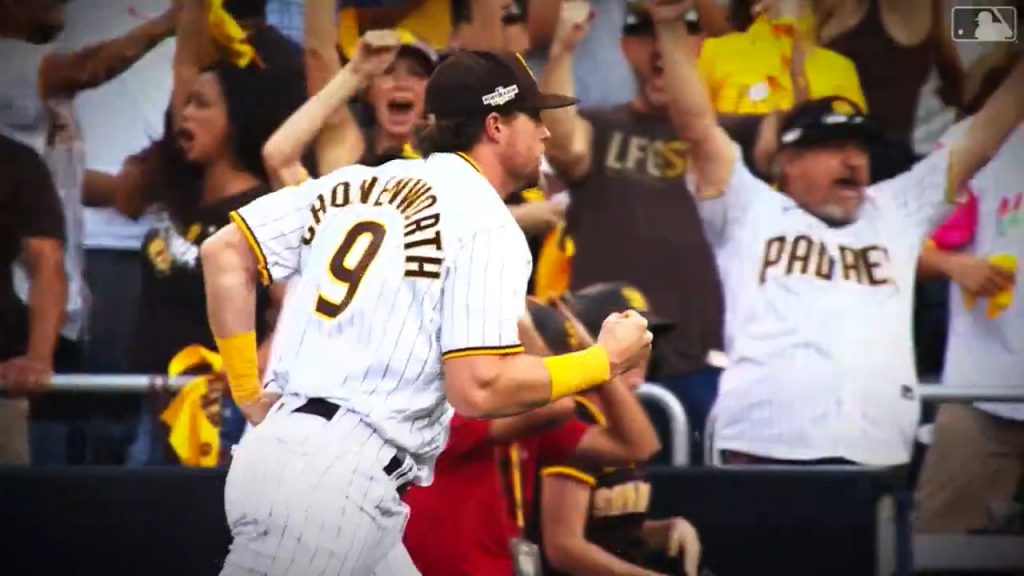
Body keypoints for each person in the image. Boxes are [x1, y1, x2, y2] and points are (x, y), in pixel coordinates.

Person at [200, 49, 654, 575]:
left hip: (304, 457)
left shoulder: (356, 183)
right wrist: (602, 362)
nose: (547, 134)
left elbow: (225, 253)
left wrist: (248, 393)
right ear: (497, 125)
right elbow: (478, 387)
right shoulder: (485, 219)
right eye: (536, 118)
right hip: (337, 477)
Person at [653, 0, 1024, 467]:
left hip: (874, 457)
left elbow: (987, 131)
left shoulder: (898, 208)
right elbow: (697, 128)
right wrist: (667, 23)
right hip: (761, 452)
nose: (853, 159)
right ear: (788, 161)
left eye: (859, 147)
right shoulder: (751, 209)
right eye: (833, 147)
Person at [539, 0, 726, 463]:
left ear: (700, 44)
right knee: (607, 502)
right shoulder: (602, 126)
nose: (662, 45)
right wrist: (561, 51)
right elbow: (564, 144)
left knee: (700, 509)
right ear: (624, 47)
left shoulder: (721, 139)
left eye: (681, 33)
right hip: (605, 355)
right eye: (646, 34)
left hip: (696, 356)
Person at [403, 297, 661, 576]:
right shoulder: (448, 406)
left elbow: (636, 445)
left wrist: (595, 351)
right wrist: (520, 321)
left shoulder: (523, 422)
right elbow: (557, 403)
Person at [533, 282, 702, 576]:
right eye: (630, 342)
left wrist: (664, 530)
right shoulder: (575, 420)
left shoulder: (624, 422)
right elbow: (564, 548)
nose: (643, 354)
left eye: (647, 341)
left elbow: (605, 529)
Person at [913, 119, 1023, 533]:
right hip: (982, 394)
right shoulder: (979, 143)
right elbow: (895, 245)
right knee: (942, 548)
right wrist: (952, 263)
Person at [0, 134, 66, 464]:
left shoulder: (14, 162)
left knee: (11, 510)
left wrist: (38, 358)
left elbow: (46, 262)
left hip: (1, 378)